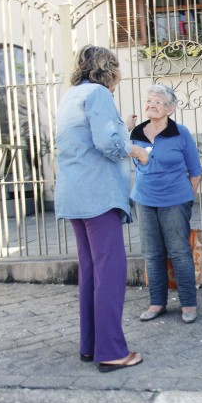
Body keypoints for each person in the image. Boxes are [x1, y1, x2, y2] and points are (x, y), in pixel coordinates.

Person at [55, 45, 149, 373]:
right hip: (98, 194)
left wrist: (120, 128)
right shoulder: (98, 94)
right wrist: (137, 151)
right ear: (108, 69)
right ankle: (111, 351)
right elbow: (109, 145)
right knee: (109, 272)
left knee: (90, 271)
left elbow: (88, 139)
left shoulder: (70, 96)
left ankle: (91, 345)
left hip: (74, 193)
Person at [130, 84, 202, 324]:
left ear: (170, 108)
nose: (151, 104)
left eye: (157, 102)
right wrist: (125, 129)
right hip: (144, 199)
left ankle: (189, 304)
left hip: (175, 201)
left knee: (180, 252)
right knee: (152, 253)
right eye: (148, 100)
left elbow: (195, 171)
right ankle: (157, 303)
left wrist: (187, 199)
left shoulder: (180, 133)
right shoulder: (136, 134)